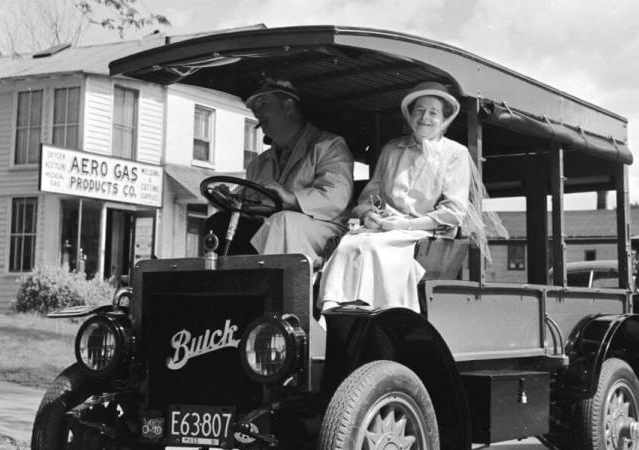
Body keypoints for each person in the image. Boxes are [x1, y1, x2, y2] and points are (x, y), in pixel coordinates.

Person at [318, 81, 508, 313]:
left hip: (426, 231)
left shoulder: (455, 154)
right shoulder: (391, 149)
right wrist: (371, 213)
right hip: (385, 226)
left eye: (433, 112)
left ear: (445, 119)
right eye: (419, 111)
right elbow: (373, 195)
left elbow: (453, 212)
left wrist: (405, 224)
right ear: (410, 115)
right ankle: (333, 308)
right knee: (351, 243)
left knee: (377, 246)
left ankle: (386, 313)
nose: (424, 117)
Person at [205, 78, 354, 263]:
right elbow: (250, 202)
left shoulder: (329, 146)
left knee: (283, 221)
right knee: (219, 222)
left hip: (323, 228)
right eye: (253, 108)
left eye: (263, 103)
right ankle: (227, 286)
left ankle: (270, 288)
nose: (256, 112)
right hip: (270, 228)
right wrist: (231, 200)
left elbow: (335, 197)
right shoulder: (258, 164)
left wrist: (291, 199)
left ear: (288, 106)